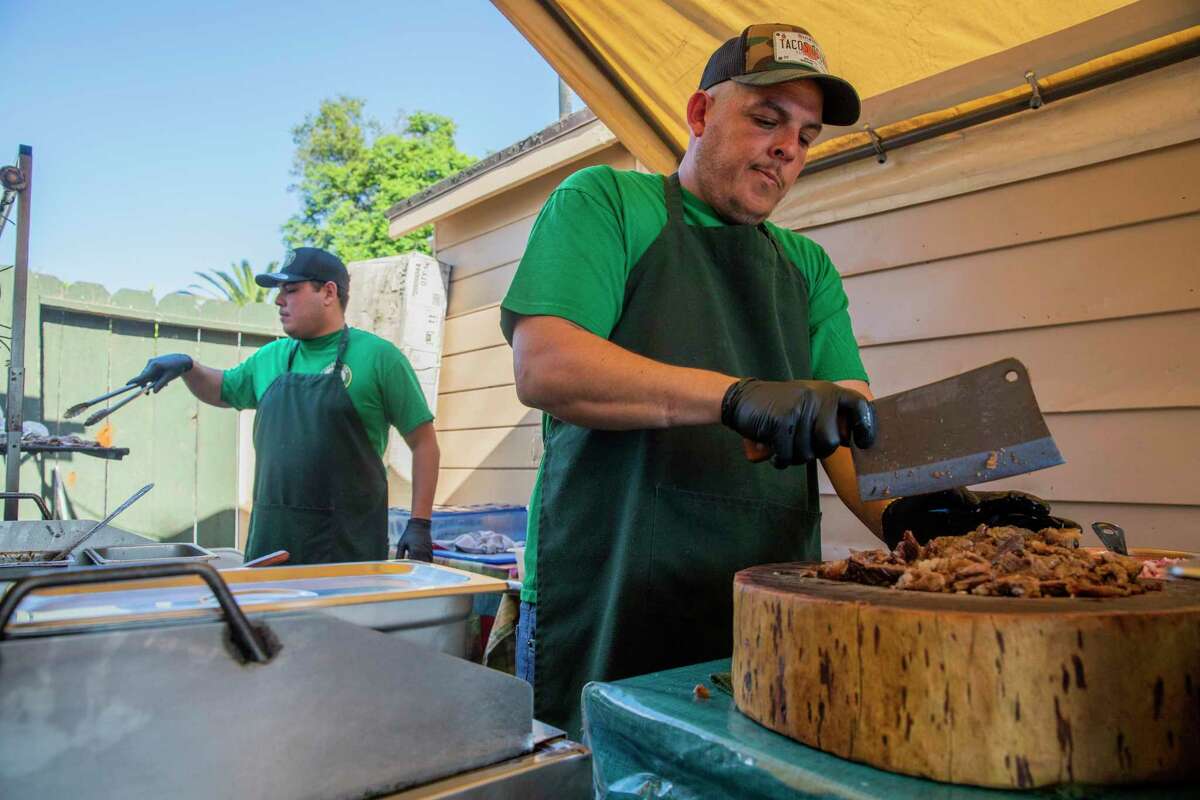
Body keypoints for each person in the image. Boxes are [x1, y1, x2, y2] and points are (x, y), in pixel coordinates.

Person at [501, 23, 1068, 736]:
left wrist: (932, 526)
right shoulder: (608, 203)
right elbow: (548, 364)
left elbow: (856, 434)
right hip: (611, 588)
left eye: (806, 136)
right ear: (701, 115)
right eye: (766, 120)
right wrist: (736, 399)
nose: (787, 149)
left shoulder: (807, 269)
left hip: (769, 602)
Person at [130, 247, 440, 564]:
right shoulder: (272, 356)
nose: (279, 301)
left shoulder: (380, 358)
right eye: (280, 292)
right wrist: (188, 367)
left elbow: (424, 443)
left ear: (329, 293)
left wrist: (419, 523)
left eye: (291, 290)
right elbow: (222, 389)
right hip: (272, 545)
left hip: (347, 551)